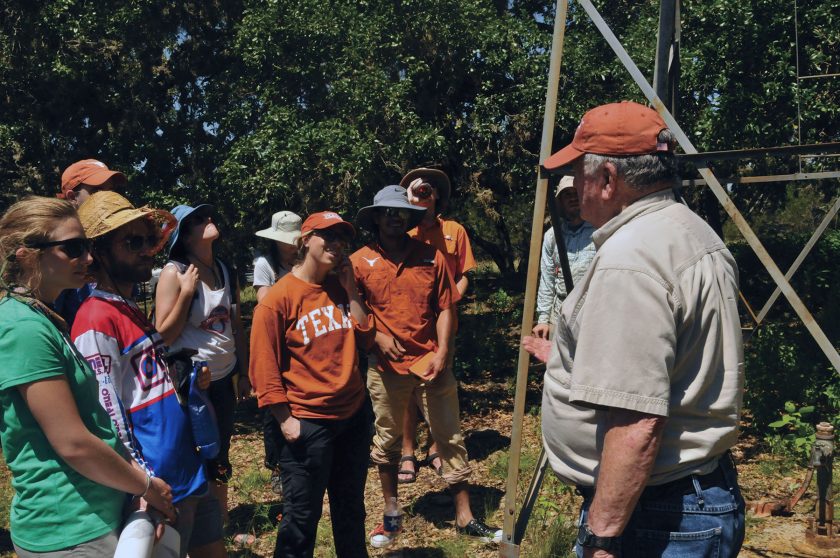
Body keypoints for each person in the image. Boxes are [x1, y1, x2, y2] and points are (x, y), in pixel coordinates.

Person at [525, 101, 745, 558]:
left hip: (653, 514)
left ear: (607, 179)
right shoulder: (691, 230)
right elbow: (670, 356)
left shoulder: (630, 260)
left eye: (579, 172)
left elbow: (636, 419)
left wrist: (603, 538)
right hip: (694, 494)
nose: (574, 186)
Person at [0, 196, 173, 557]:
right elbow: (73, 442)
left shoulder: (42, 317)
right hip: (68, 527)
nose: (89, 258)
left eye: (88, 247)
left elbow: (96, 425)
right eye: (73, 248)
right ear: (25, 254)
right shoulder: (23, 328)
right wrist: (145, 487)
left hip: (95, 510)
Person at [72, 191, 226, 558]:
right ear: (99, 253)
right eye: (133, 241)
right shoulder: (95, 320)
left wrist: (186, 380)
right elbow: (107, 413)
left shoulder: (127, 308)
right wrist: (142, 487)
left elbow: (140, 385)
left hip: (186, 468)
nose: (148, 250)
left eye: (148, 240)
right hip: (158, 483)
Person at [351, 186, 501, 547]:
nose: (394, 217)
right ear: (375, 217)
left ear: (410, 218)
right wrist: (375, 339)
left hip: (431, 363)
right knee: (386, 441)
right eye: (387, 211)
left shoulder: (431, 256)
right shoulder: (358, 262)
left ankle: (465, 516)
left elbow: (446, 307)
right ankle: (390, 518)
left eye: (401, 212)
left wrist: (443, 350)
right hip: (386, 369)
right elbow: (353, 309)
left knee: (450, 437)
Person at [250, 210, 374, 558]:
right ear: (306, 241)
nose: (337, 245)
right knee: (301, 517)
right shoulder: (278, 298)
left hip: (352, 417)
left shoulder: (340, 289)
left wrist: (350, 289)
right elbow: (264, 365)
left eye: (342, 239)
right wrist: (286, 420)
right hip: (308, 423)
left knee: (350, 509)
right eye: (328, 236)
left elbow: (365, 339)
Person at [155, 203, 251, 529]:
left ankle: (219, 523)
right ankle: (189, 526)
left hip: (224, 376)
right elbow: (163, 335)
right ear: (184, 234)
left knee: (220, 452)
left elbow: (236, 324)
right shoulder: (174, 272)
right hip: (192, 383)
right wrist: (185, 293)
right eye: (197, 219)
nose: (208, 219)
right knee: (195, 452)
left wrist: (245, 370)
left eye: (208, 215)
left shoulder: (224, 268)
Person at [397, 167, 476, 482]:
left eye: (428, 189)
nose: (423, 193)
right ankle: (406, 451)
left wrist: (452, 298)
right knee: (406, 390)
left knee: (438, 385)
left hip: (444, 324)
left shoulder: (455, 230)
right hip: (410, 323)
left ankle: (435, 447)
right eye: (418, 190)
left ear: (439, 195)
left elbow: (465, 273)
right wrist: (409, 203)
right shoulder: (403, 231)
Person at [252, 210, 303, 494]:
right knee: (274, 405)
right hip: (275, 341)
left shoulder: (304, 260)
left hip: (299, 342)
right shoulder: (265, 264)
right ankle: (276, 466)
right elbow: (264, 301)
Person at [53, 159, 127, 327]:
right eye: (97, 190)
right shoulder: (59, 248)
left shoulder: (114, 242)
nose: (107, 198)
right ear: (72, 197)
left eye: (110, 190)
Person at [531, 175, 595, 339]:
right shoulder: (552, 236)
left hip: (592, 312)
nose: (573, 198)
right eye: (567, 194)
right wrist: (543, 319)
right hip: (560, 313)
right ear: (560, 201)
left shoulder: (599, 231)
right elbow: (547, 279)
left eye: (576, 192)